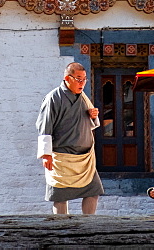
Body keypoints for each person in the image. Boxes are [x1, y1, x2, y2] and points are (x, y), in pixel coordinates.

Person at [36, 62, 105, 214]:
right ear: (68, 78)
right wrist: (46, 154)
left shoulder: (83, 98)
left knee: (93, 192)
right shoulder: (53, 98)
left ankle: (87, 226)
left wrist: (93, 116)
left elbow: (89, 124)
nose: (82, 83)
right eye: (79, 79)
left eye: (85, 79)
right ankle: (62, 229)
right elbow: (45, 126)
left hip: (85, 158)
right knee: (60, 196)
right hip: (62, 157)